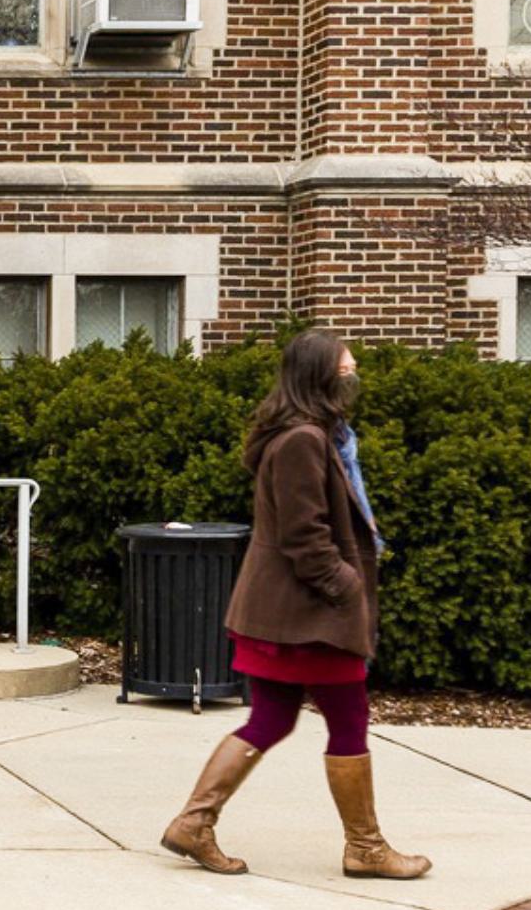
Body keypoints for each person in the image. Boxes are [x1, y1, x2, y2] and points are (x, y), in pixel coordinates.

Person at [159, 328, 430, 881]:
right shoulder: (303, 441)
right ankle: (366, 847)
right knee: (349, 721)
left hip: (285, 612)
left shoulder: (312, 436)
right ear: (319, 378)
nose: (353, 376)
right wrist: (344, 585)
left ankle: (195, 821)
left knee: (272, 717)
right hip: (307, 614)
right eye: (346, 369)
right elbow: (305, 534)